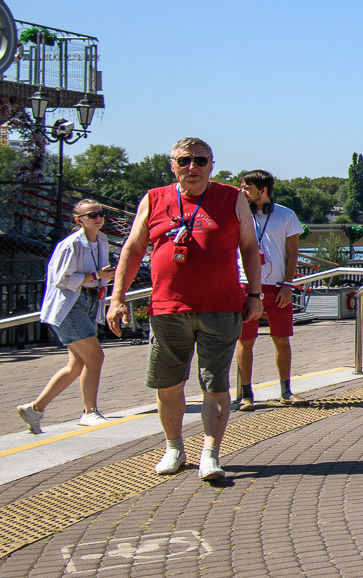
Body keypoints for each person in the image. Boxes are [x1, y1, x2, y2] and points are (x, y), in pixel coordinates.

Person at [106, 137, 266, 481]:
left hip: (220, 307)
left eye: (200, 160)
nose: (192, 167)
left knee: (215, 384)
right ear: (172, 164)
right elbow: (133, 250)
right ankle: (174, 448)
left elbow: (250, 249)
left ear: (212, 164)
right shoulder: (154, 199)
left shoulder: (232, 198)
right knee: (168, 385)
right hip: (167, 307)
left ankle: (210, 453)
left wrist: (255, 294)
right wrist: (117, 296)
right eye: (184, 161)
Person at [18, 201, 116, 432]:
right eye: (92, 215)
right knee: (95, 357)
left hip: (90, 300)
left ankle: (35, 409)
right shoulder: (71, 244)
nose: (98, 218)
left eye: (101, 213)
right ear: (78, 219)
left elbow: (98, 274)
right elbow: (61, 280)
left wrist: (104, 277)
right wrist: (96, 275)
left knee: (76, 364)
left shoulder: (102, 240)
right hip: (70, 304)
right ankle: (89, 412)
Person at [235, 170, 304, 410]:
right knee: (245, 341)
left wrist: (288, 284)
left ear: (262, 190)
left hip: (277, 287)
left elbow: (293, 252)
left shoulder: (286, 215)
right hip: (246, 285)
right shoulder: (238, 214)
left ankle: (286, 391)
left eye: (247, 188)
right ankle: (246, 394)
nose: (243, 192)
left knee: (281, 339)